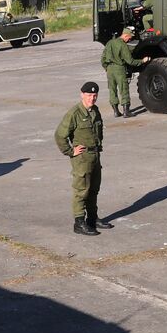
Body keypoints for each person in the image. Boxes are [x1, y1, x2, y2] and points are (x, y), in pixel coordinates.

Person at [53, 81, 109, 236]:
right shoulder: (74, 114)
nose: (92, 98)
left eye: (95, 95)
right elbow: (59, 135)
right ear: (82, 94)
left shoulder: (95, 111)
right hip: (82, 158)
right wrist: (70, 151)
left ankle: (92, 219)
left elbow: (98, 132)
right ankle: (79, 223)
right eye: (89, 95)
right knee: (81, 190)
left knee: (94, 189)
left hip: (95, 156)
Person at [100, 27, 141, 118]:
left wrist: (107, 68)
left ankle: (116, 111)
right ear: (125, 35)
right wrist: (142, 61)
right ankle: (126, 112)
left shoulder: (109, 43)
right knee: (124, 89)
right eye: (129, 37)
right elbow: (130, 61)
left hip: (110, 70)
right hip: (119, 69)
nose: (129, 39)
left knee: (112, 90)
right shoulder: (123, 45)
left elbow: (102, 58)